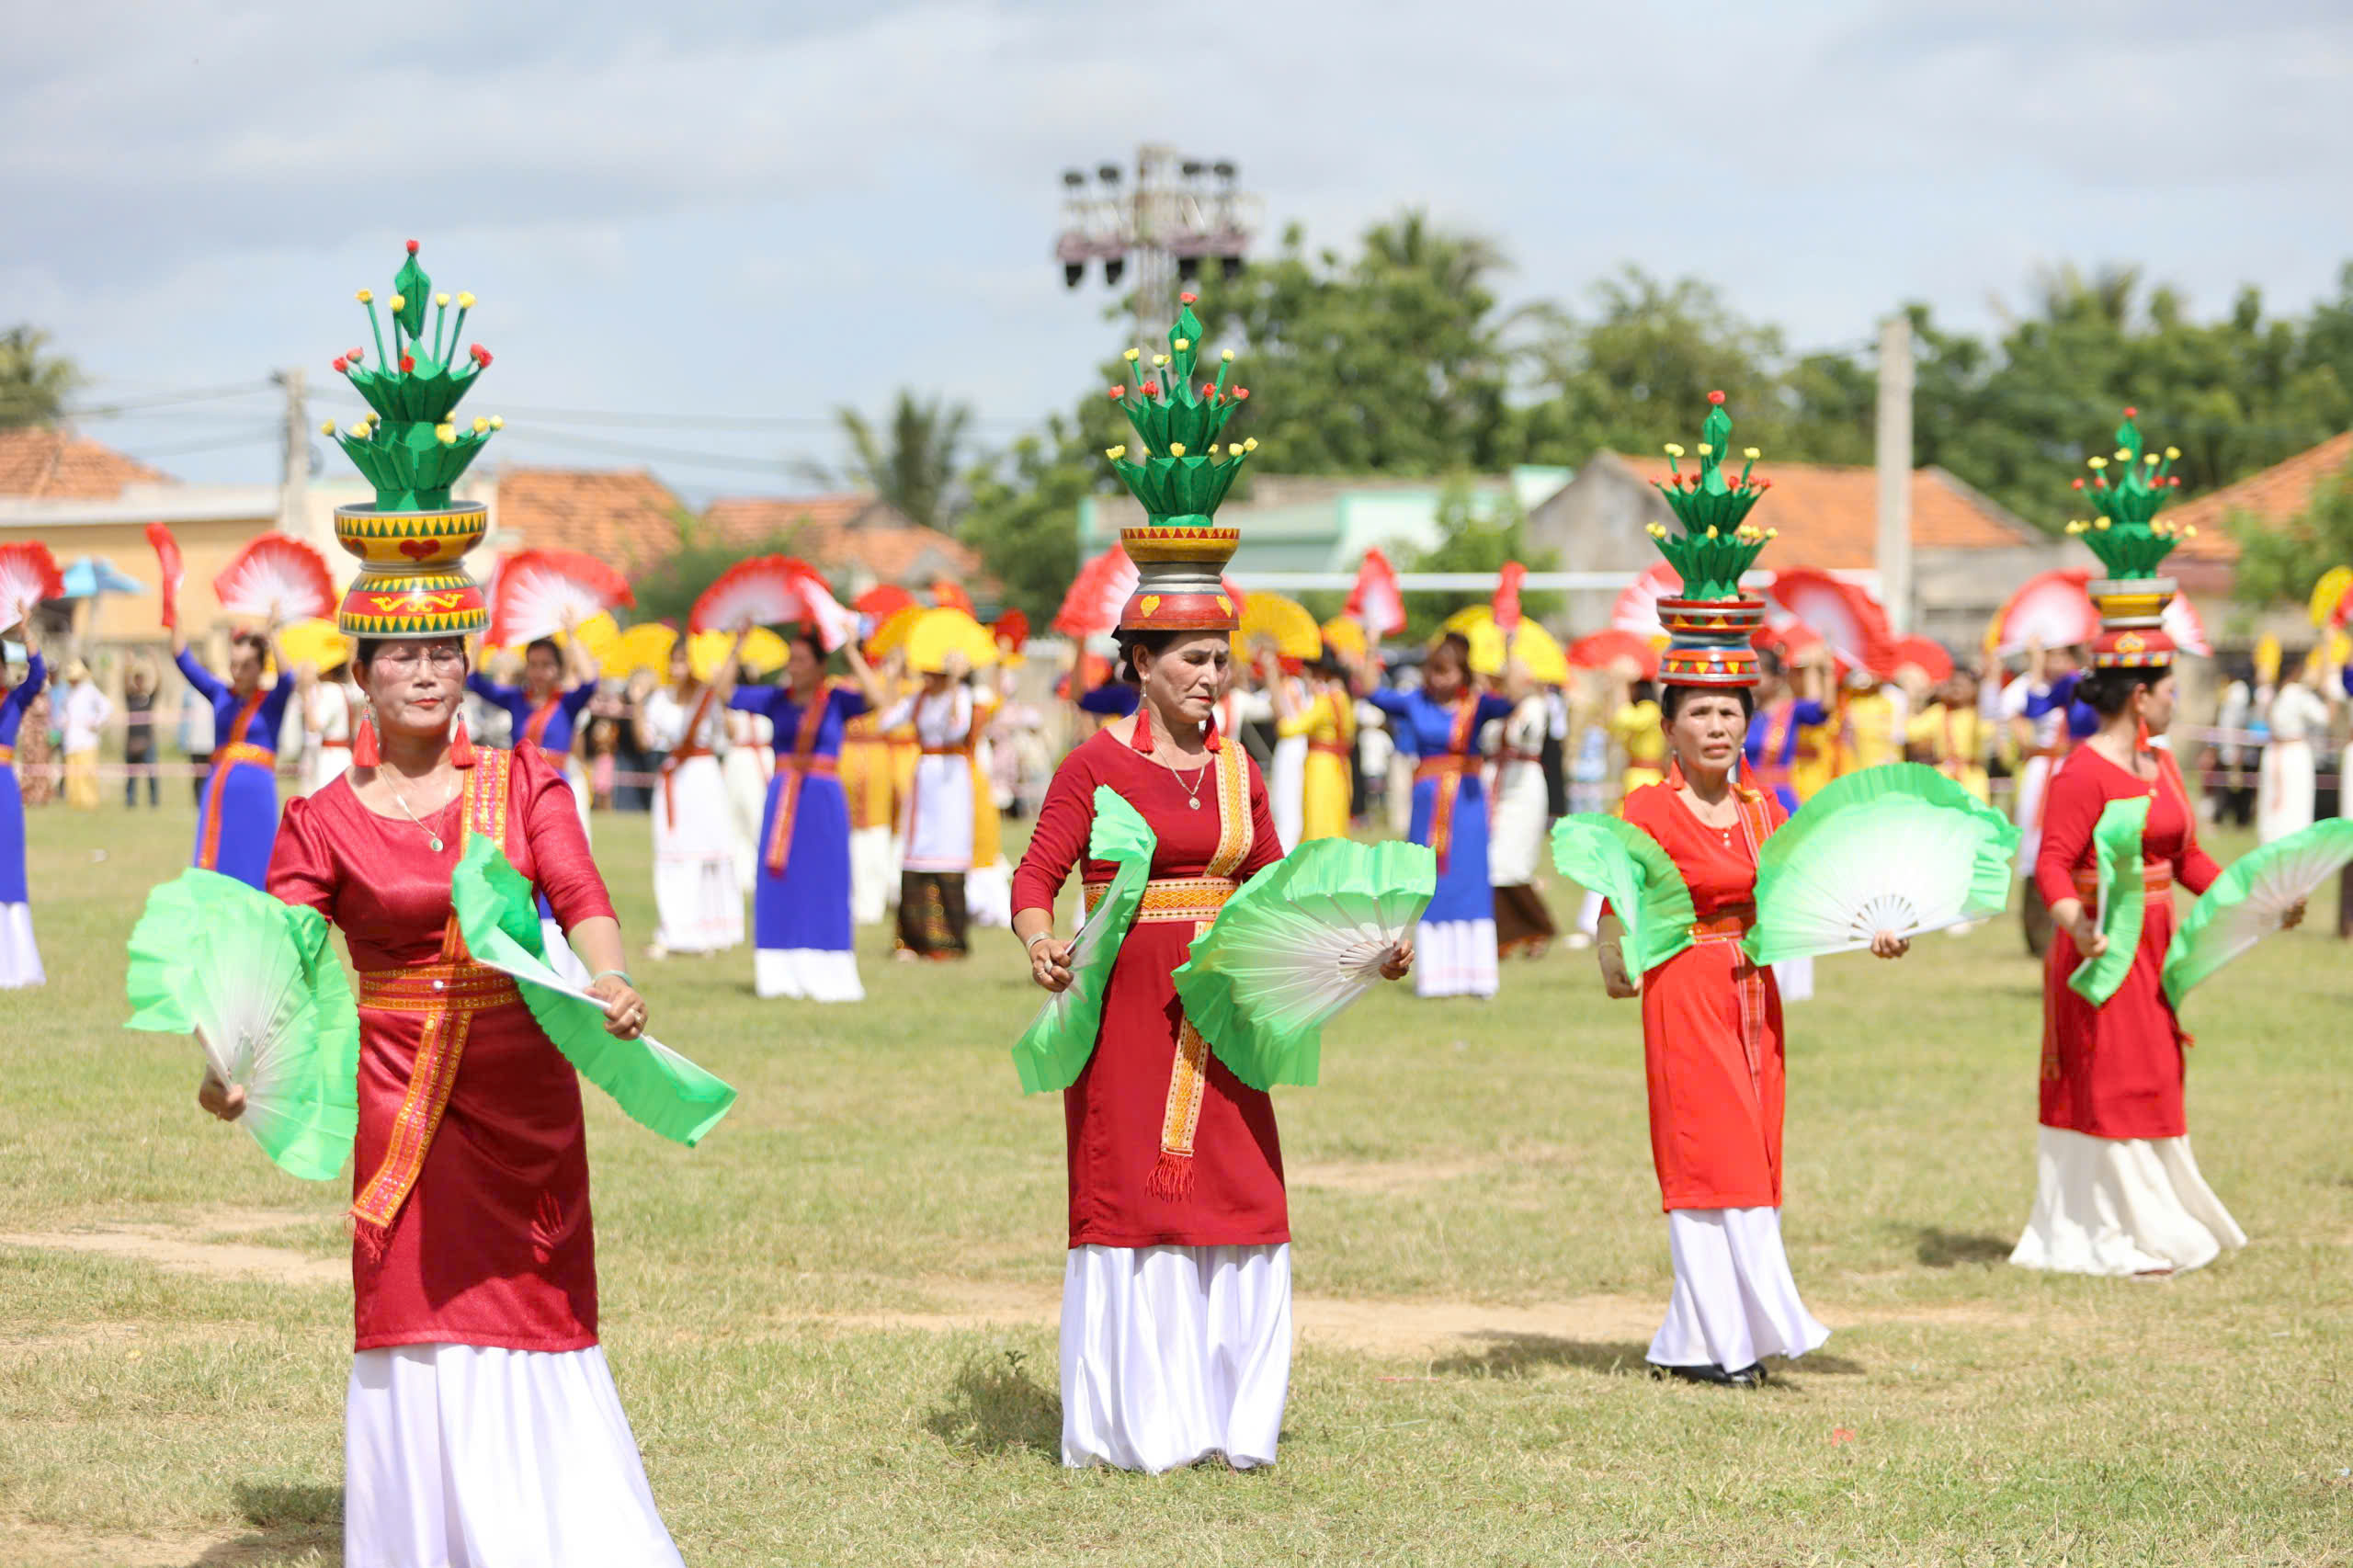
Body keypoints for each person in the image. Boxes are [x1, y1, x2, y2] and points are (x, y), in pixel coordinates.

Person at [213, 630, 682, 1566]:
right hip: (399, 1095)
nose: (425, 672)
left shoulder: (523, 782)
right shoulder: (320, 818)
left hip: (523, 1087)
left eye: (443, 652)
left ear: (467, 670)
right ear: (361, 676)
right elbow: (284, 954)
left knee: (536, 1303)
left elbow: (579, 888)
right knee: (410, 1302)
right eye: (400, 655)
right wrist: (237, 1054)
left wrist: (611, 976)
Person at [1013, 621, 1409, 1471]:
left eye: (1220, 660)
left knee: (1240, 1189)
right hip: (1124, 1008)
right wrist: (1041, 941)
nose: (1211, 675)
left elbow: (1278, 890)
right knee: (1131, 1194)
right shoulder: (1093, 767)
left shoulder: (1239, 771)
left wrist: (1368, 947)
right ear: (1141, 664)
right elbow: (1036, 875)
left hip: (1223, 1013)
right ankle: (1143, 1428)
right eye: (1192, 659)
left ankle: (1234, 1423)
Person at [2011, 659, 2264, 1276]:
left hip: (2157, 948)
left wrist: (2256, 896)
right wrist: (2076, 922)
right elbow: (2052, 863)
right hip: (2100, 946)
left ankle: (2158, 1215)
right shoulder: (2081, 771)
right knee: (2109, 1076)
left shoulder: (2165, 764)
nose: (2178, 703)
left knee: (2157, 1067)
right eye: (2173, 693)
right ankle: (2111, 1229)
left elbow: (2189, 858)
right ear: (2141, 698)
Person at [727, 629, 887, 1001]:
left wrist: (849, 650)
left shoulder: (835, 701)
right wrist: (737, 645)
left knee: (826, 879)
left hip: (823, 797)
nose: (792, 667)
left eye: (801, 660)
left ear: (819, 667)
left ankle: (828, 966)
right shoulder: (775, 699)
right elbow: (723, 693)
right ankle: (779, 969)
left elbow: (878, 698)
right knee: (779, 878)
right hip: (783, 796)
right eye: (790, 659)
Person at [1367, 632, 1517, 999]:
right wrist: (1371, 642)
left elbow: (1511, 699)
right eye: (1433, 671)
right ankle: (1436, 978)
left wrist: (1509, 647)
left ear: (1462, 673)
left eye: (1446, 672)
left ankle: (1476, 977)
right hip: (1426, 803)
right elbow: (1371, 691)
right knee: (1428, 881)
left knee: (1470, 879)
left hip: (1466, 806)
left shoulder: (1476, 705)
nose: (1438, 680)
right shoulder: (1415, 702)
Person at [635, 640, 743, 958]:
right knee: (672, 852)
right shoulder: (660, 700)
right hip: (673, 779)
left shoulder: (708, 696)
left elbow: (731, 727)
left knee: (706, 851)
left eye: (683, 661)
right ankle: (674, 929)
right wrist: (638, 704)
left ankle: (709, 930)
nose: (677, 668)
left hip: (703, 777)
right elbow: (645, 741)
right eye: (674, 661)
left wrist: (731, 656)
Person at [174, 620, 294, 889]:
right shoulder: (220, 694)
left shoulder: (272, 702)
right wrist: (173, 611)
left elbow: (288, 678)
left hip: (256, 792)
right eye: (233, 664)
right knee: (218, 857)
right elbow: (183, 659)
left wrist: (273, 634)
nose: (237, 672)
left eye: (246, 665)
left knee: (256, 856)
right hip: (221, 789)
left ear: (261, 667)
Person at [880, 653, 976, 960]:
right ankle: (912, 938)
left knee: (949, 849)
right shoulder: (917, 699)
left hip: (952, 777)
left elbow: (957, 728)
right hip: (926, 778)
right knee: (918, 850)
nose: (928, 679)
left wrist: (955, 683)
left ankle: (949, 939)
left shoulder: (961, 695)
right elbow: (886, 721)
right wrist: (893, 677)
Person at [466, 633, 598, 838]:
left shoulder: (567, 703)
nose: (539, 672)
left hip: (553, 786)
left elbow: (590, 682)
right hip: (519, 786)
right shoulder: (516, 699)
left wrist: (572, 635)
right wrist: (482, 637)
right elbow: (474, 681)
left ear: (558, 668)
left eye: (546, 665)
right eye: (533, 664)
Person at [1488, 686, 1556, 959]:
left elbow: (1524, 733)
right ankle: (1508, 934)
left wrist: (1512, 711)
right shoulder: (1487, 703)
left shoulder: (1534, 704)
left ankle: (1536, 928)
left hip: (1523, 785)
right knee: (1492, 864)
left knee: (1510, 864)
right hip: (1495, 781)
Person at [1, 627, 47, 986]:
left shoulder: (13, 701)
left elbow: (39, 675)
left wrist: (26, 633)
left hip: (4, 788)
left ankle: (15, 965)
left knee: (8, 870)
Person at [1279, 654, 1358, 844]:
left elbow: (1288, 729)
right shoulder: (1344, 699)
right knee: (1336, 820)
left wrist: (1284, 711)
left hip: (1320, 767)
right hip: (1341, 766)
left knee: (1318, 821)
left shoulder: (1324, 702)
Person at [2256, 661, 2331, 845]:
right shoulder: (2298, 693)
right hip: (2294, 755)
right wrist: (2330, 695)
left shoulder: (2271, 693)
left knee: (2275, 803)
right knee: (2294, 804)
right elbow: (2324, 717)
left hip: (2274, 752)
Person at [300, 649, 362, 796]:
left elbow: (314, 725)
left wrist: (305, 691)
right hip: (342, 754)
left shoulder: (330, 691)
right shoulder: (343, 689)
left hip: (330, 758)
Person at [58, 658, 113, 810]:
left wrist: (96, 723)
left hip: (87, 741)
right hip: (71, 741)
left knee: (87, 774)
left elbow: (107, 707)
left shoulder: (90, 690)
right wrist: (63, 722)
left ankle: (89, 803)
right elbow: (64, 713)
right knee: (73, 775)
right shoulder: (68, 693)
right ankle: (75, 803)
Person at [121, 657, 160, 808]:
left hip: (148, 742)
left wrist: (155, 662)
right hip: (132, 743)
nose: (138, 682)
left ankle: (154, 801)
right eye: (136, 679)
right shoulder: (130, 698)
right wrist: (128, 665)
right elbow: (124, 683)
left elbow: (159, 683)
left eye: (140, 680)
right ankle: (130, 801)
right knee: (131, 777)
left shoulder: (149, 699)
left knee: (152, 775)